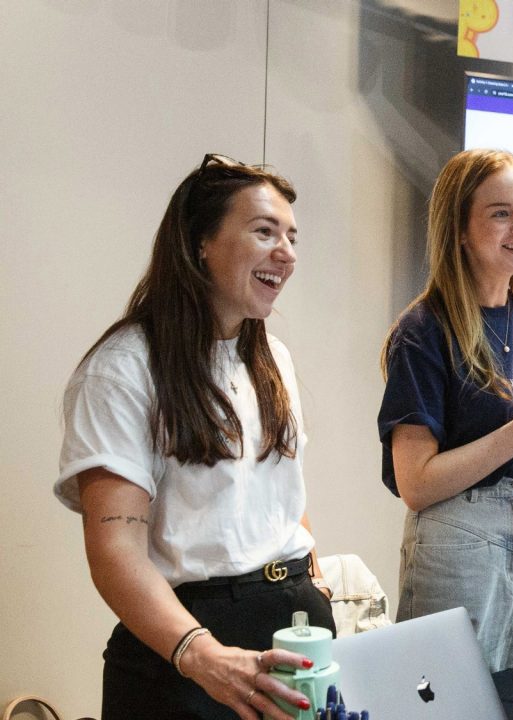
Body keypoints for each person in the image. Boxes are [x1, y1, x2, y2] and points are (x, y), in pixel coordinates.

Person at [54, 154, 334, 720]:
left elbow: (280, 494)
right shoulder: (123, 369)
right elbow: (114, 551)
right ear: (200, 243)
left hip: (294, 627)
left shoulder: (272, 357)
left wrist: (315, 582)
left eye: (292, 237)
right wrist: (201, 655)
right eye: (264, 231)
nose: (287, 252)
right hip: (186, 647)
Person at [378, 148, 513, 672]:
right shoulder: (424, 330)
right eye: (500, 212)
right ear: (459, 229)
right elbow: (417, 484)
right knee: (447, 702)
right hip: (460, 541)